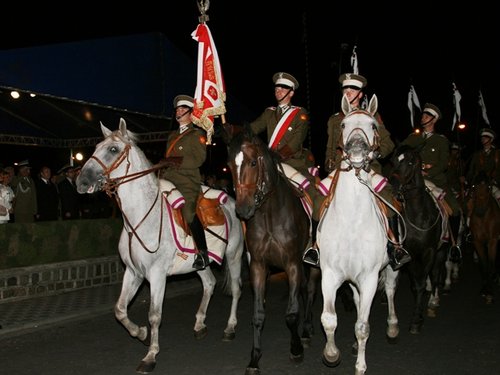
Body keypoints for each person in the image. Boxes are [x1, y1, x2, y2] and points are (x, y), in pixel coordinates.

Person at [315, 72, 410, 270]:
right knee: (317, 198)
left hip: (368, 168)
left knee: (389, 199)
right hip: (342, 169)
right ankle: (315, 248)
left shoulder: (371, 116)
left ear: (360, 94)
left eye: (353, 89)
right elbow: (331, 147)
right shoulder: (335, 119)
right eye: (345, 89)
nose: (348, 92)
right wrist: (330, 164)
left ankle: (395, 248)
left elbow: (388, 143)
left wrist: (373, 156)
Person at [248, 72, 324, 266]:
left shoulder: (300, 114)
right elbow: (253, 128)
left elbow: (295, 143)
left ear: (290, 93)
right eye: (276, 88)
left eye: (282, 88)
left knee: (315, 197)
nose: (277, 91)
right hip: (270, 165)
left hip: (293, 164)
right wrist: (235, 130)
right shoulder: (269, 113)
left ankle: (315, 244)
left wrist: (274, 157)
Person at [401, 103, 462, 250]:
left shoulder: (441, 140)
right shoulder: (413, 138)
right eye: (423, 115)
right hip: (412, 179)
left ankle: (454, 246)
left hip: (434, 180)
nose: (423, 118)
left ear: (434, 120)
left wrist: (428, 172)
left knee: (454, 209)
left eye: (427, 116)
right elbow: (401, 153)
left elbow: (443, 164)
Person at [162, 94, 209, 270]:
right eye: (177, 109)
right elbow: (169, 159)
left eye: (182, 109)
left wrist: (177, 161)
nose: (178, 112)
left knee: (189, 213)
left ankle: (202, 253)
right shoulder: (172, 135)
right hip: (169, 178)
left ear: (190, 113)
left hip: (188, 181)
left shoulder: (197, 134)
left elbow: (199, 159)